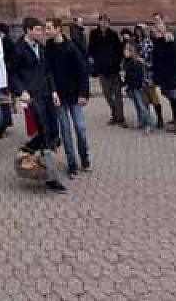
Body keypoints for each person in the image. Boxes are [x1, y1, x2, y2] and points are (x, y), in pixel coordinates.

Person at [10, 16, 67, 193]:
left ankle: (28, 149)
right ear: (28, 31)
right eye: (37, 30)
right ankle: (51, 177)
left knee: (52, 133)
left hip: (46, 94)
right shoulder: (18, 49)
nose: (41, 33)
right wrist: (21, 92)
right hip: (32, 96)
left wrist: (54, 91)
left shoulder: (41, 48)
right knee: (44, 132)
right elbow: (12, 73)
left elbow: (47, 72)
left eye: (41, 30)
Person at [46, 21, 91, 176]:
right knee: (65, 131)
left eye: (49, 28)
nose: (47, 31)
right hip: (59, 96)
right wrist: (53, 92)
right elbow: (48, 72)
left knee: (80, 128)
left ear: (58, 29)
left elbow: (83, 71)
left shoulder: (71, 47)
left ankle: (85, 158)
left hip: (74, 95)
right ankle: (72, 163)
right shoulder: (48, 48)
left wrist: (84, 94)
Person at [88, 14, 125, 126]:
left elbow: (119, 50)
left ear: (108, 23)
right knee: (108, 95)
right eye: (102, 21)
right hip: (102, 70)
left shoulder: (113, 34)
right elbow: (91, 49)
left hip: (113, 70)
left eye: (106, 22)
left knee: (117, 94)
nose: (103, 24)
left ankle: (121, 118)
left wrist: (117, 63)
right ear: (99, 22)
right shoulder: (94, 34)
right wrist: (94, 61)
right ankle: (114, 115)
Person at [151, 22, 176, 135]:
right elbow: (156, 61)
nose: (156, 33)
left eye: (158, 31)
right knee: (171, 99)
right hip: (163, 77)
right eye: (155, 31)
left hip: (172, 75)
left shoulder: (169, 41)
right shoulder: (157, 43)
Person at [135, 24, 163, 129]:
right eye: (136, 31)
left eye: (139, 30)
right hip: (140, 74)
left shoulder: (148, 42)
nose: (138, 33)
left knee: (154, 97)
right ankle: (148, 120)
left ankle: (160, 119)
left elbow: (151, 58)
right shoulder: (137, 42)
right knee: (145, 98)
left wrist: (143, 61)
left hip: (148, 74)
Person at [122, 42, 151, 132]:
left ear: (132, 51)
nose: (125, 52)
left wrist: (127, 74)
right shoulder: (125, 61)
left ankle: (148, 124)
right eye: (125, 50)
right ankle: (141, 121)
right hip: (131, 87)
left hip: (138, 87)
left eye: (127, 50)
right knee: (137, 105)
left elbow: (138, 76)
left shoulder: (137, 62)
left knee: (142, 106)